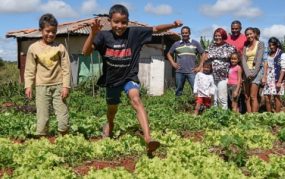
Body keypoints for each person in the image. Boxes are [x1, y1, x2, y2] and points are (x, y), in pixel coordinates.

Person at [81, 4, 182, 154]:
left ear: (128, 22)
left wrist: (172, 25)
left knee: (136, 99)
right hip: (111, 80)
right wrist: (93, 33)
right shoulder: (103, 36)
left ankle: (148, 138)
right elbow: (85, 52)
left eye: (123, 22)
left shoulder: (134, 33)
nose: (120, 26)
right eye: (116, 22)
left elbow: (155, 29)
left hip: (129, 76)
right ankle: (110, 124)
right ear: (110, 21)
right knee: (112, 110)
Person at [24, 13, 71, 137]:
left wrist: (66, 86)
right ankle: (42, 141)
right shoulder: (33, 48)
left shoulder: (60, 47)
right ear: (41, 30)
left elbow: (66, 68)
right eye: (48, 31)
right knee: (42, 116)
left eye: (54, 32)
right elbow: (29, 69)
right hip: (41, 86)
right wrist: (28, 85)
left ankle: (64, 139)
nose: (51, 34)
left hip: (59, 86)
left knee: (62, 115)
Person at [200, 28, 236, 109]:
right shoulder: (210, 47)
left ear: (223, 36)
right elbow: (204, 58)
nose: (217, 37)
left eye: (219, 36)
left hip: (223, 77)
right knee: (213, 97)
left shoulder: (229, 47)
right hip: (211, 76)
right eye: (215, 36)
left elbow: (235, 60)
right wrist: (201, 69)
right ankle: (214, 114)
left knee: (222, 98)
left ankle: (223, 116)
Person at [167, 26, 204, 97]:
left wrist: (200, 66)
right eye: (183, 33)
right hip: (179, 71)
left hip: (192, 71)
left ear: (189, 33)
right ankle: (178, 106)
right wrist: (173, 64)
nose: (184, 34)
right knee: (178, 91)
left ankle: (197, 105)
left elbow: (203, 53)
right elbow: (169, 54)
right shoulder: (176, 44)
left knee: (196, 90)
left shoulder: (195, 43)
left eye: (186, 33)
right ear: (181, 34)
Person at [241, 27, 265, 113]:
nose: (249, 36)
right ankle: (249, 115)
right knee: (246, 96)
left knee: (253, 96)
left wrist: (253, 73)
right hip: (247, 72)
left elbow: (259, 60)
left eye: (250, 33)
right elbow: (243, 59)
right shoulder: (246, 45)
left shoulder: (260, 44)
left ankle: (254, 116)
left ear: (254, 34)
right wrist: (247, 73)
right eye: (247, 34)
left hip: (256, 72)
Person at [226, 20, 247, 113]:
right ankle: (233, 110)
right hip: (230, 67)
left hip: (242, 66)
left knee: (243, 90)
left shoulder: (245, 38)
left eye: (236, 28)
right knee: (231, 92)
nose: (234, 30)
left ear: (240, 28)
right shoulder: (227, 38)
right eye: (233, 29)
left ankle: (242, 110)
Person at [262, 37, 285, 112]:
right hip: (269, 77)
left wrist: (279, 82)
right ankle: (269, 114)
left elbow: (283, 68)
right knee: (267, 97)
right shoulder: (268, 53)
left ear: (277, 45)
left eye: (273, 45)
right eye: (270, 45)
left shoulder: (282, 54)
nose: (271, 47)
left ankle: (277, 116)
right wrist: (264, 77)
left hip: (277, 77)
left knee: (276, 96)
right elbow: (266, 64)